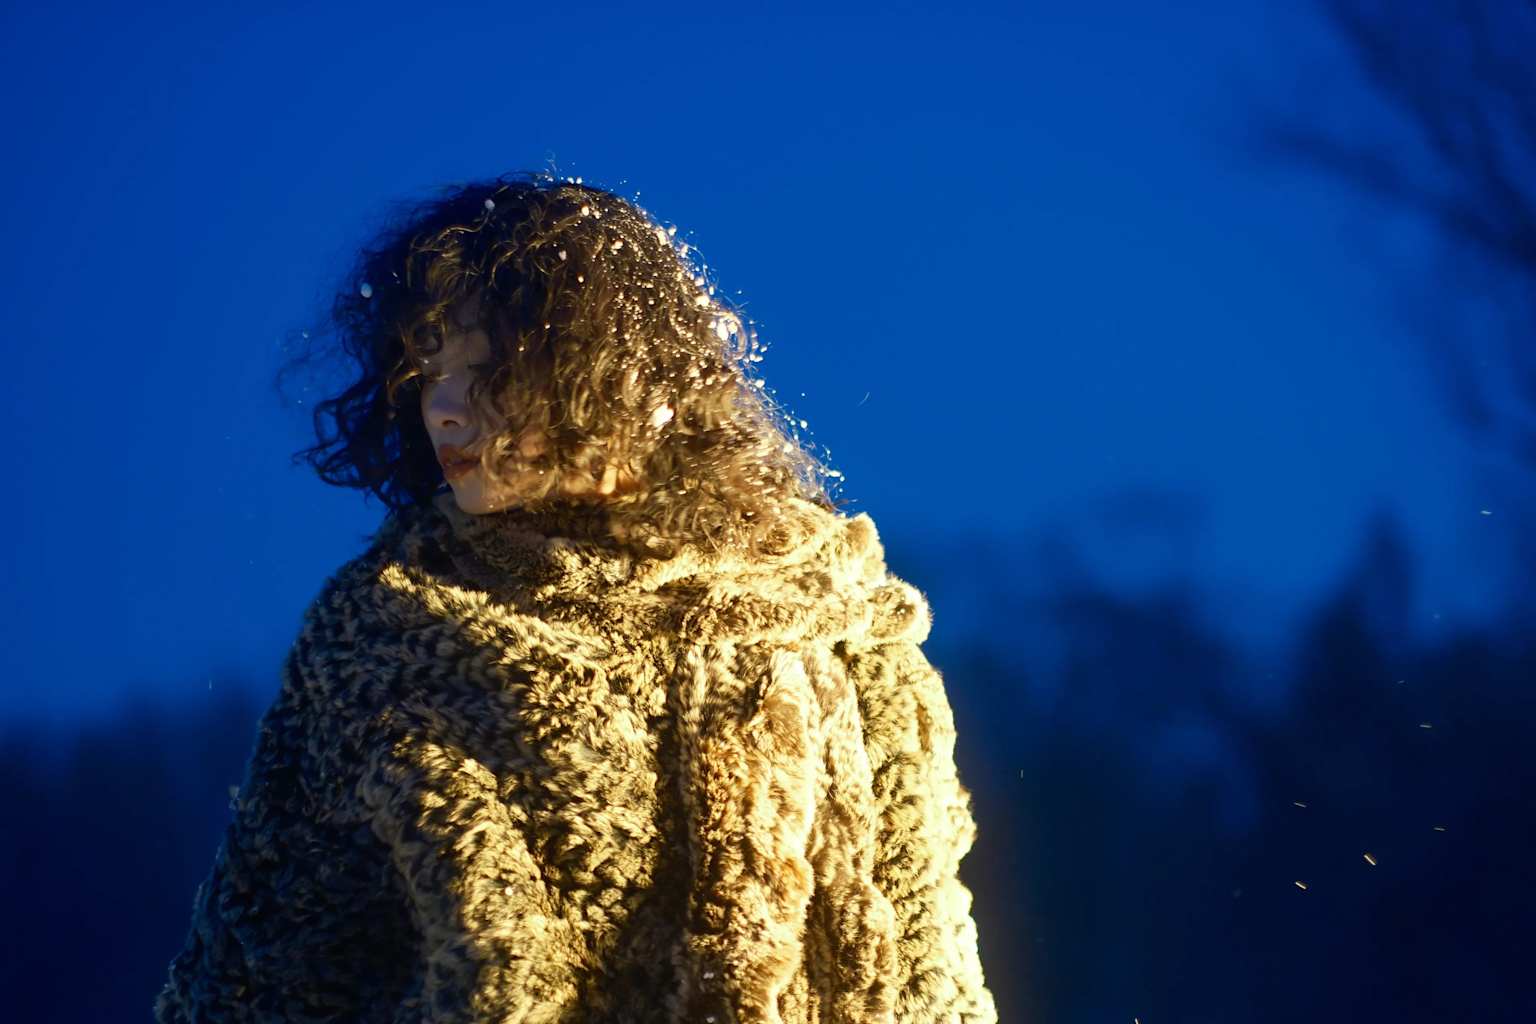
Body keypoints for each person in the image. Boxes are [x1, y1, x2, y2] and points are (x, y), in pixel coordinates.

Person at [153, 172, 998, 1024]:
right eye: (426, 372)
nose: (442, 409)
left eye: (484, 370)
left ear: (614, 373)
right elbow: (257, 973)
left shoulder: (835, 620)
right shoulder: (387, 632)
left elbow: (930, 958)